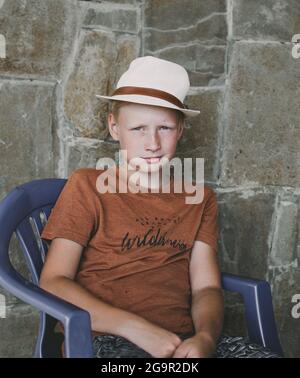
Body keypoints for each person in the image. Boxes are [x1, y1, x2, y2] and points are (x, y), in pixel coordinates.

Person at [39, 56, 280, 358]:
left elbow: (206, 288)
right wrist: (134, 327)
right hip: (106, 339)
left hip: (182, 341)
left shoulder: (198, 199)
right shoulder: (88, 185)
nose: (152, 143)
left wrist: (204, 337)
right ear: (114, 127)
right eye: (138, 128)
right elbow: (53, 281)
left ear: (180, 129)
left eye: (164, 127)